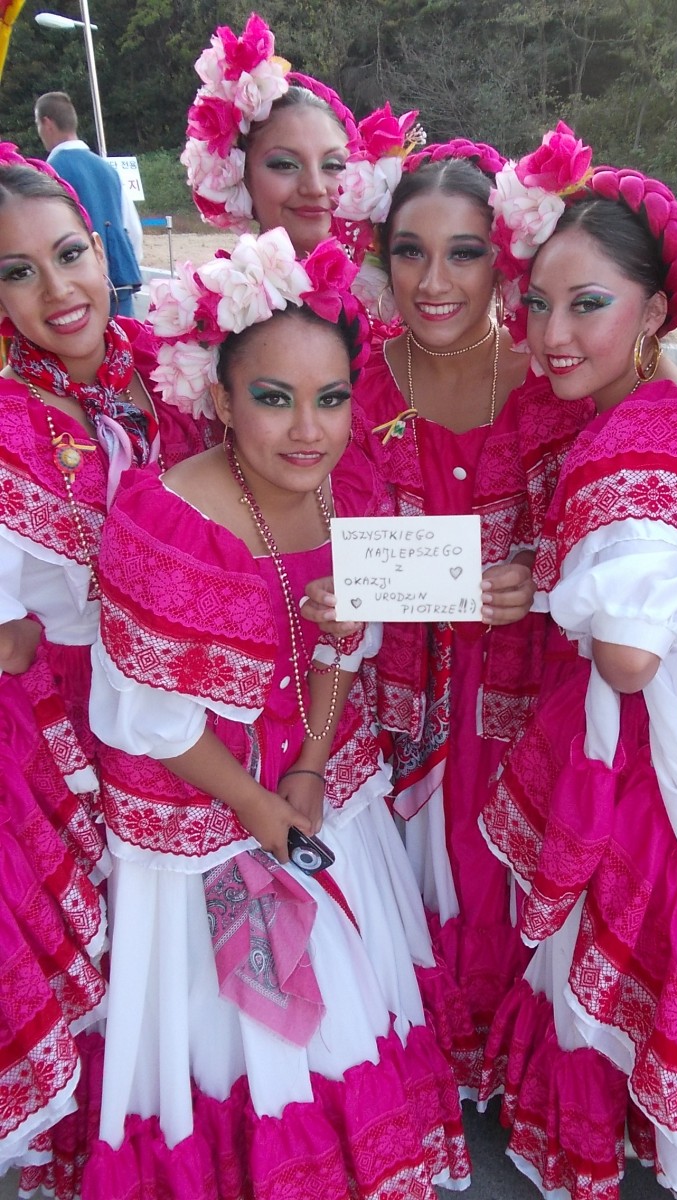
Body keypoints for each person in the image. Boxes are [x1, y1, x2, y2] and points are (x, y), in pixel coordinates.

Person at [81, 230, 469, 1198]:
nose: (308, 430)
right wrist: (259, 806)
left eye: (331, 399)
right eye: (273, 397)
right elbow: (151, 719)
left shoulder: (350, 493)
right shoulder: (169, 522)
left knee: (346, 1006)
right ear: (220, 401)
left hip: (316, 786)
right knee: (250, 1044)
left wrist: (309, 767)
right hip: (207, 812)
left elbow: (343, 645)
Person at [477, 132, 677, 1200]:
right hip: (643, 739)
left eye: (588, 305)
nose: (552, 334)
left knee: (626, 959)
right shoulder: (646, 414)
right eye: (539, 304)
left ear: (656, 310)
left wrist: (560, 599)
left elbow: (629, 654)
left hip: (636, 754)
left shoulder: (648, 438)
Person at [312, 113, 594, 1093]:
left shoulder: (556, 381)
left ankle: (517, 1060)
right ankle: (434, 1052)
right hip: (397, 702)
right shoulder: (347, 390)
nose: (434, 281)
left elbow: (613, 535)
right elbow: (320, 538)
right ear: (379, 258)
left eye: (464, 253)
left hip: (529, 693)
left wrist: (542, 580)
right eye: (410, 252)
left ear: (502, 259)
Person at [0, 146, 208, 1191]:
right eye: (16, 272)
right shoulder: (8, 425)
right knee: (128, 939)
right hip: (80, 726)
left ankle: (210, 1108)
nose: (57, 290)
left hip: (207, 685)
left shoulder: (169, 362)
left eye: (69, 253)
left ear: (101, 243)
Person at [182, 13, 366, 262]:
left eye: (334, 165)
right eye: (285, 164)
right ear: (240, 177)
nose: (315, 187)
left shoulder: (398, 284)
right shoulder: (210, 288)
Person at [35, 91, 143, 319]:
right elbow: (132, 231)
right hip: (120, 287)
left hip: (77, 294)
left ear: (47, 123)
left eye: (37, 124)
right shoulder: (108, 170)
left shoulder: (48, 175)